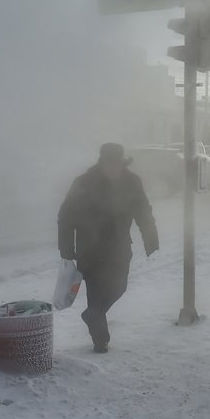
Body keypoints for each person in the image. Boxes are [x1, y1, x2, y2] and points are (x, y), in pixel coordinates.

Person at [58, 143, 159, 353]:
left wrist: (151, 239)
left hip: (119, 246)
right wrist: (66, 249)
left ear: (121, 163)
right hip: (90, 249)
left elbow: (143, 212)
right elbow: (66, 217)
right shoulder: (84, 183)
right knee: (95, 294)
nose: (112, 168)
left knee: (119, 286)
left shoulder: (132, 182)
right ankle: (100, 341)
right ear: (101, 162)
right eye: (108, 164)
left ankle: (92, 315)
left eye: (116, 164)